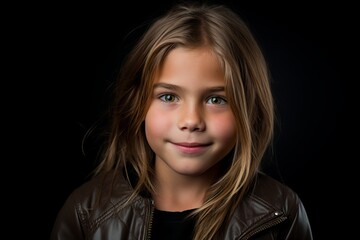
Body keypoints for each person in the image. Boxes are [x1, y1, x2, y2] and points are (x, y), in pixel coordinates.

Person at [51, 2, 313, 240]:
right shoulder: (86, 212)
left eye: (216, 100)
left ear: (249, 110)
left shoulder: (281, 213)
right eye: (168, 96)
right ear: (137, 104)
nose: (191, 121)